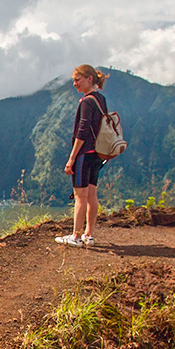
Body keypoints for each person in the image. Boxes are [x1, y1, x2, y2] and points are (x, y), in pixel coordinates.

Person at [57, 64, 109, 247]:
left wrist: (71, 158)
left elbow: (83, 130)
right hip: (98, 154)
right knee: (92, 194)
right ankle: (89, 235)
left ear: (89, 79)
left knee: (80, 196)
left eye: (77, 80)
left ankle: (76, 237)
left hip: (84, 154)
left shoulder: (86, 101)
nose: (74, 83)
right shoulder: (100, 99)